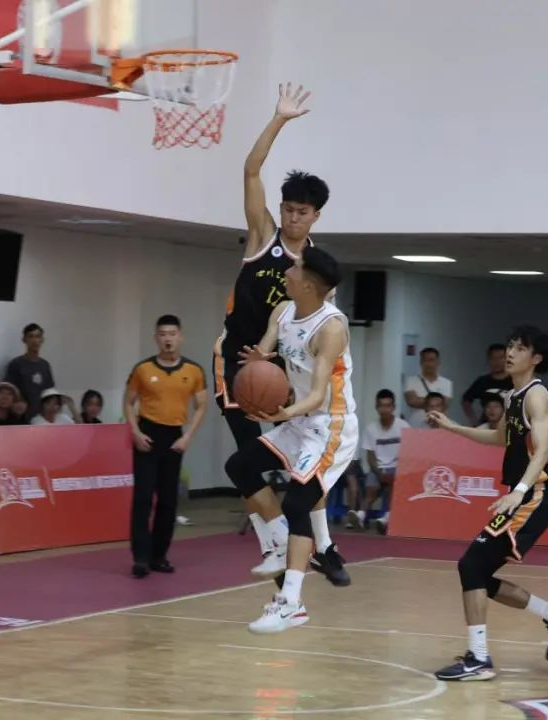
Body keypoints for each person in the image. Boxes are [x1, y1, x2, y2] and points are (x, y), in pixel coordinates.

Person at [212, 83, 348, 586]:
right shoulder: (262, 236)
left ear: (316, 216)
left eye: (301, 212)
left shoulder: (318, 269)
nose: (292, 217)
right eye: (288, 208)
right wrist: (279, 119)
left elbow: (320, 330)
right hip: (239, 363)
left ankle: (323, 546)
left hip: (286, 369)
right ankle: (275, 542)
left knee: (304, 463)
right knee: (244, 459)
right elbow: (251, 170)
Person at [428, 326, 548, 681]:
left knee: (471, 566)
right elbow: (499, 438)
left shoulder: (537, 396)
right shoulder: (512, 397)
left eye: (520, 348)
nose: (510, 353)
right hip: (522, 496)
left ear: (535, 358)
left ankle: (479, 659)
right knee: (476, 572)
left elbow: (542, 451)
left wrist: (519, 490)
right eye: (510, 346)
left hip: (532, 497)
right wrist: (452, 427)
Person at [224, 247, 358, 633]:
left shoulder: (331, 328)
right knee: (239, 466)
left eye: (296, 267)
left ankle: (291, 604)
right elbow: (266, 351)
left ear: (310, 285)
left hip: (330, 427)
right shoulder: (283, 310)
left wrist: (281, 414)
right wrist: (256, 366)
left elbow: (316, 395)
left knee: (298, 502)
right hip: (298, 421)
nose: (288, 269)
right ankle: (280, 544)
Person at [124, 315, 208, 578]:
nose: (168, 339)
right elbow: (128, 402)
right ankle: (140, 557)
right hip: (147, 435)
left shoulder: (193, 371)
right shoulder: (143, 369)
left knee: (168, 500)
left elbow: (201, 405)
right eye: (162, 334)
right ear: (156, 338)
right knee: (143, 498)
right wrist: (135, 432)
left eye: (172, 334)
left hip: (174, 437)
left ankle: (159, 556)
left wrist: (187, 437)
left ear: (180, 337)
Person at [348, 389, 410, 533]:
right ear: (377, 407)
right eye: (381, 406)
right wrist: (379, 473)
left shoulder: (404, 427)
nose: (384, 409)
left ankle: (385, 519)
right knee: (371, 489)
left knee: (394, 487)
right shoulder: (371, 429)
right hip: (378, 468)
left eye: (388, 406)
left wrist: (398, 471)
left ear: (393, 407)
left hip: (398, 468)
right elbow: (370, 456)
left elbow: (409, 453)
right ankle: (360, 517)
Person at [5, 323, 55, 421]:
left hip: (41, 419)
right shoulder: (16, 364)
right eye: (31, 336)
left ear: (42, 340)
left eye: (38, 336)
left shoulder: (45, 365)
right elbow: (9, 390)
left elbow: (50, 392)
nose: (35, 340)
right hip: (21, 419)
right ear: (24, 339)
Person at [460, 344, 512, 425]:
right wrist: (473, 420)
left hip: (510, 425)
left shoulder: (515, 380)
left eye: (501, 358)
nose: (497, 362)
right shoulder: (482, 381)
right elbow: (466, 400)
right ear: (488, 360)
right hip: (487, 426)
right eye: (493, 358)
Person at [403, 347, 453, 428]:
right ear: (420, 362)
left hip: (438, 427)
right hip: (415, 426)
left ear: (438, 362)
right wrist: (436, 401)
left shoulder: (446, 383)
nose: (428, 364)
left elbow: (445, 404)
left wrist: (420, 400)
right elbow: (411, 401)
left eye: (431, 360)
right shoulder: (411, 381)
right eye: (425, 360)